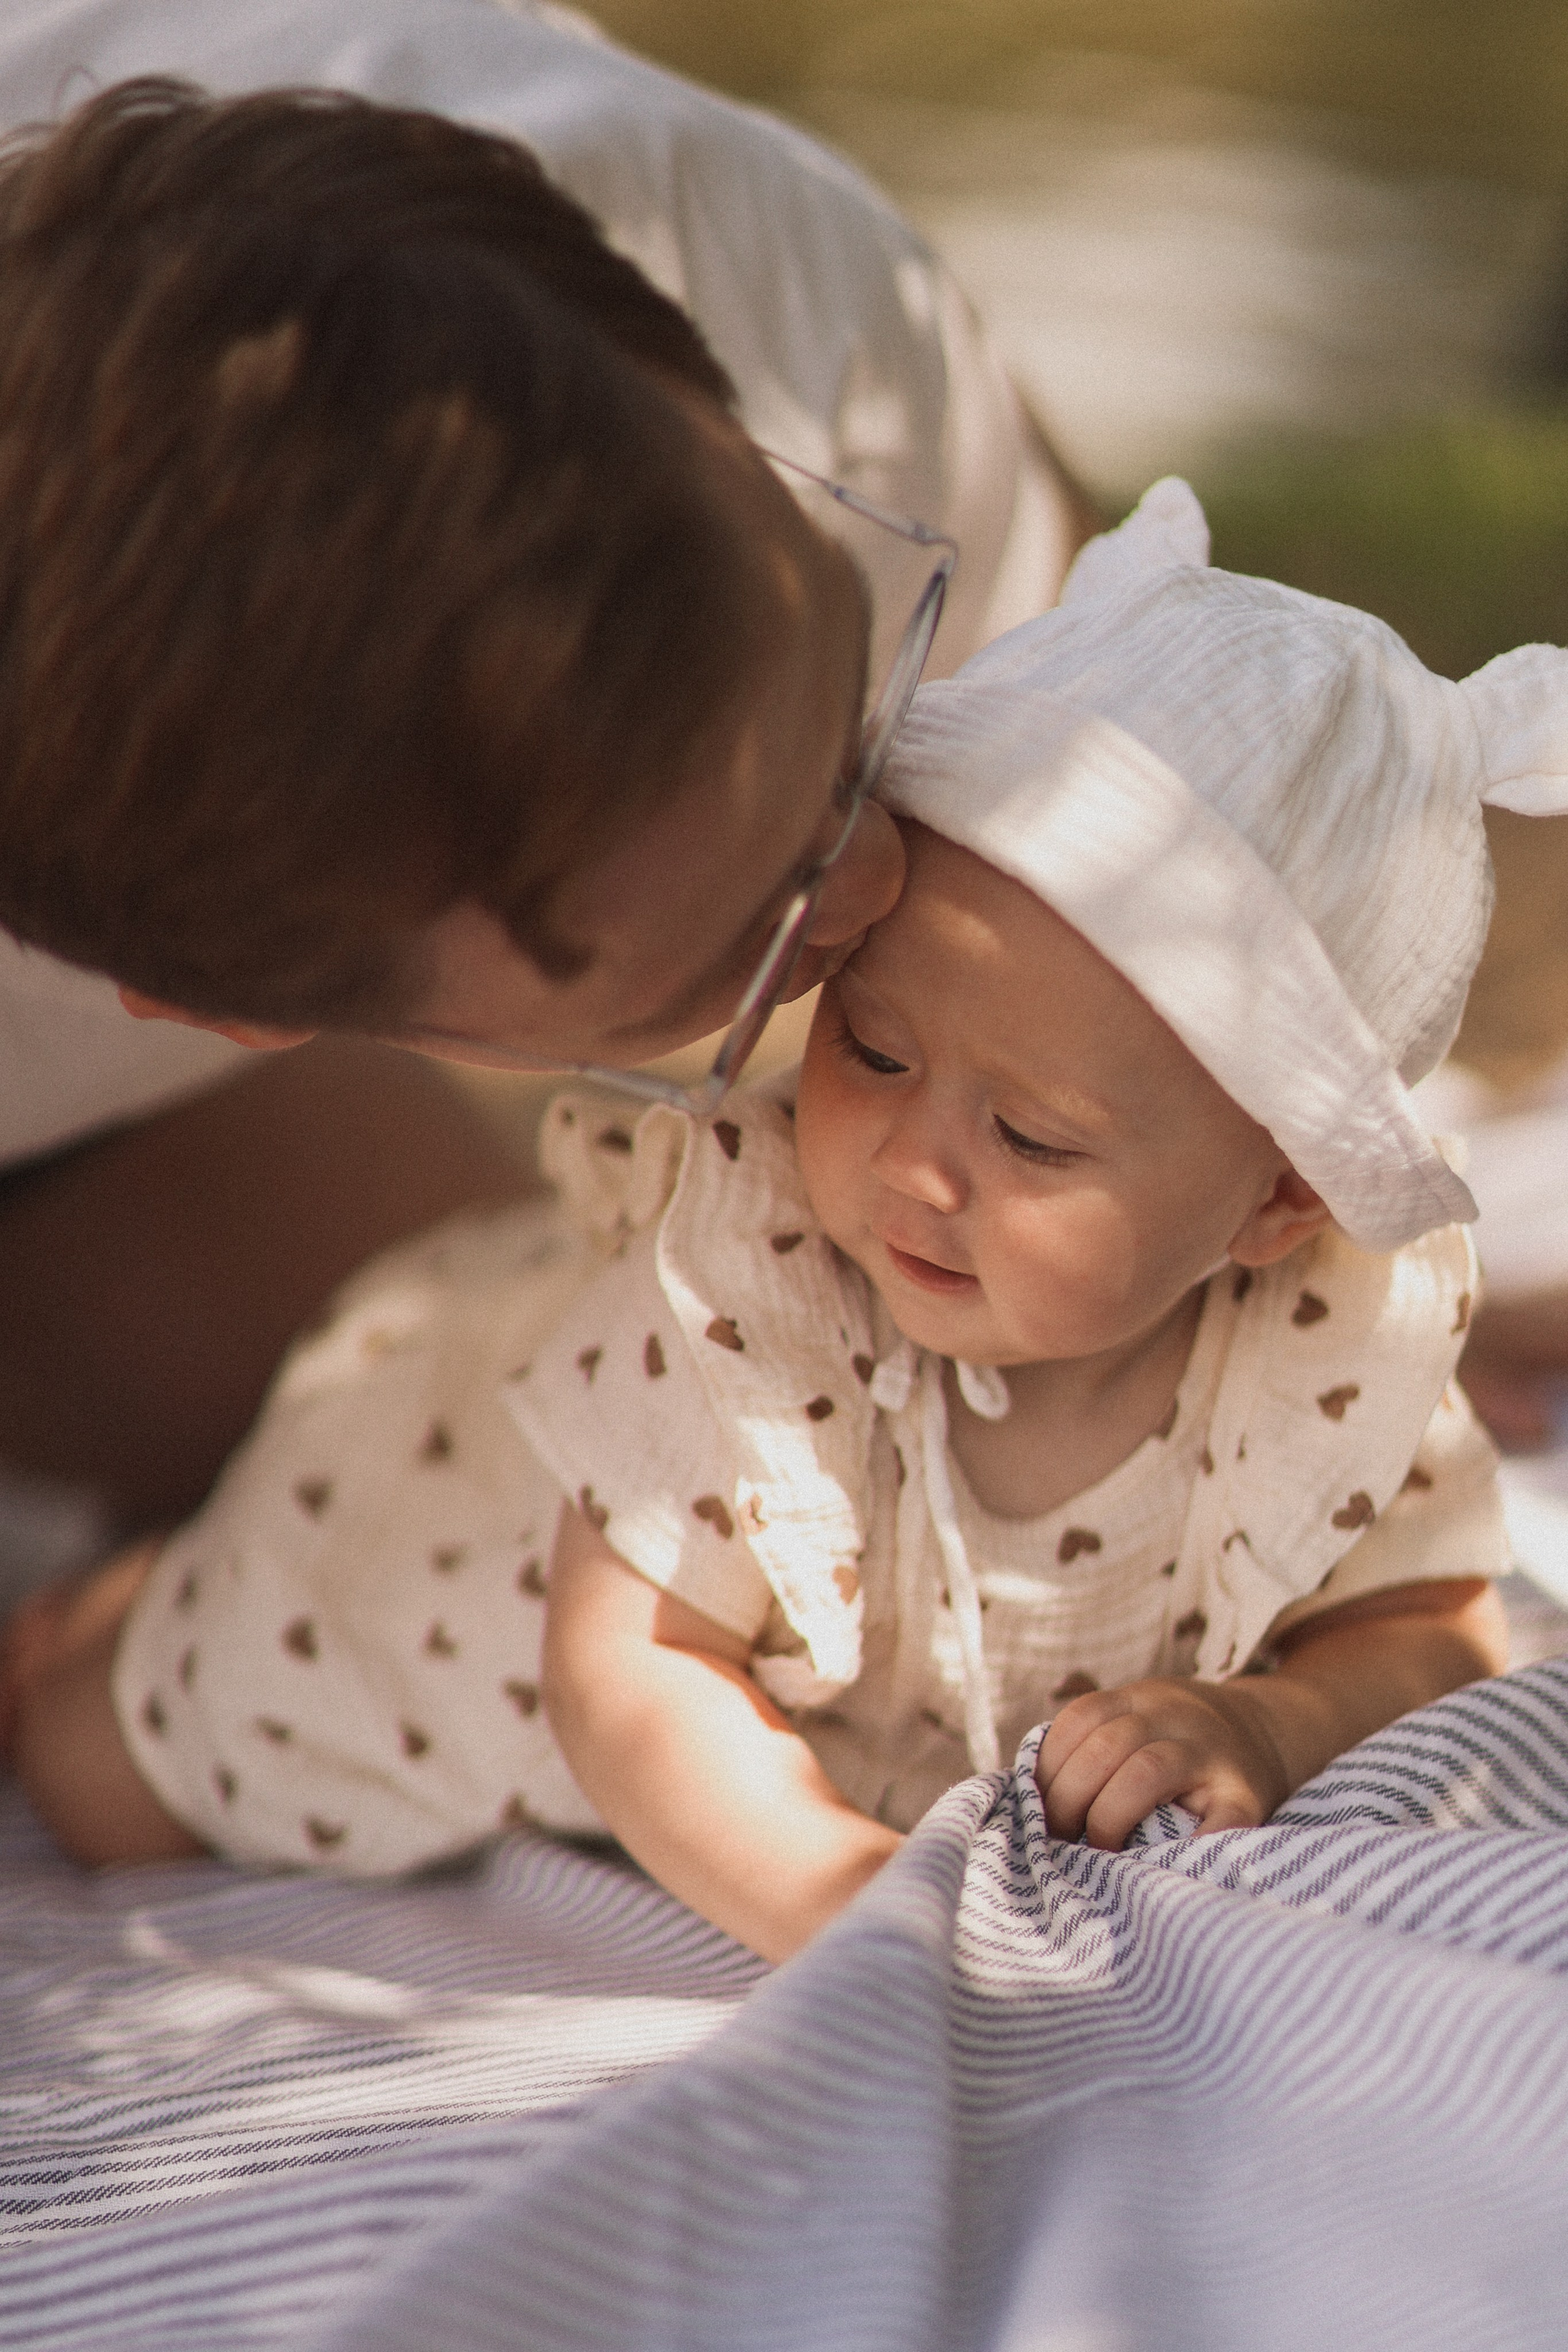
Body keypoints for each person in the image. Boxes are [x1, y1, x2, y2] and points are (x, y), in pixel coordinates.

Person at [13, 479, 1556, 1960]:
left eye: (1027, 1137)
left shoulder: (1322, 1346)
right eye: (871, 1050)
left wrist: (1266, 1720)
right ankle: (116, 1608)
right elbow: (625, 1670)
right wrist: (842, 1899)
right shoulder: (746, 1294)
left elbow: (1431, 1621)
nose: (915, 1165)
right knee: (103, 1776)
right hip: (459, 1560)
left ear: (1277, 1200)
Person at [0, 13, 1090, 1534]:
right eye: (737, 933)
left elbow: (1119, 802)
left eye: (847, 713)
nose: (877, 875)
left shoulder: (765, 283)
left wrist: (1282, 1207)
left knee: (511, 1467)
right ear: (239, 1011)